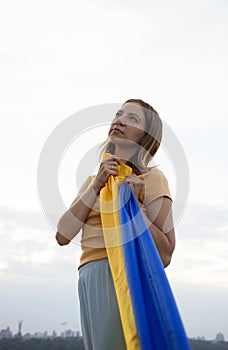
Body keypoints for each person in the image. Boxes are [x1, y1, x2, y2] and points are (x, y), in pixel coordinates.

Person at [56, 99, 175, 350]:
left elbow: (165, 253)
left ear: (146, 136)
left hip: (123, 274)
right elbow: (62, 235)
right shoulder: (93, 180)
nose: (119, 120)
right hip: (87, 278)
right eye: (119, 114)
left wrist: (136, 207)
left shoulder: (152, 178)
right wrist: (97, 184)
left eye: (132, 119)